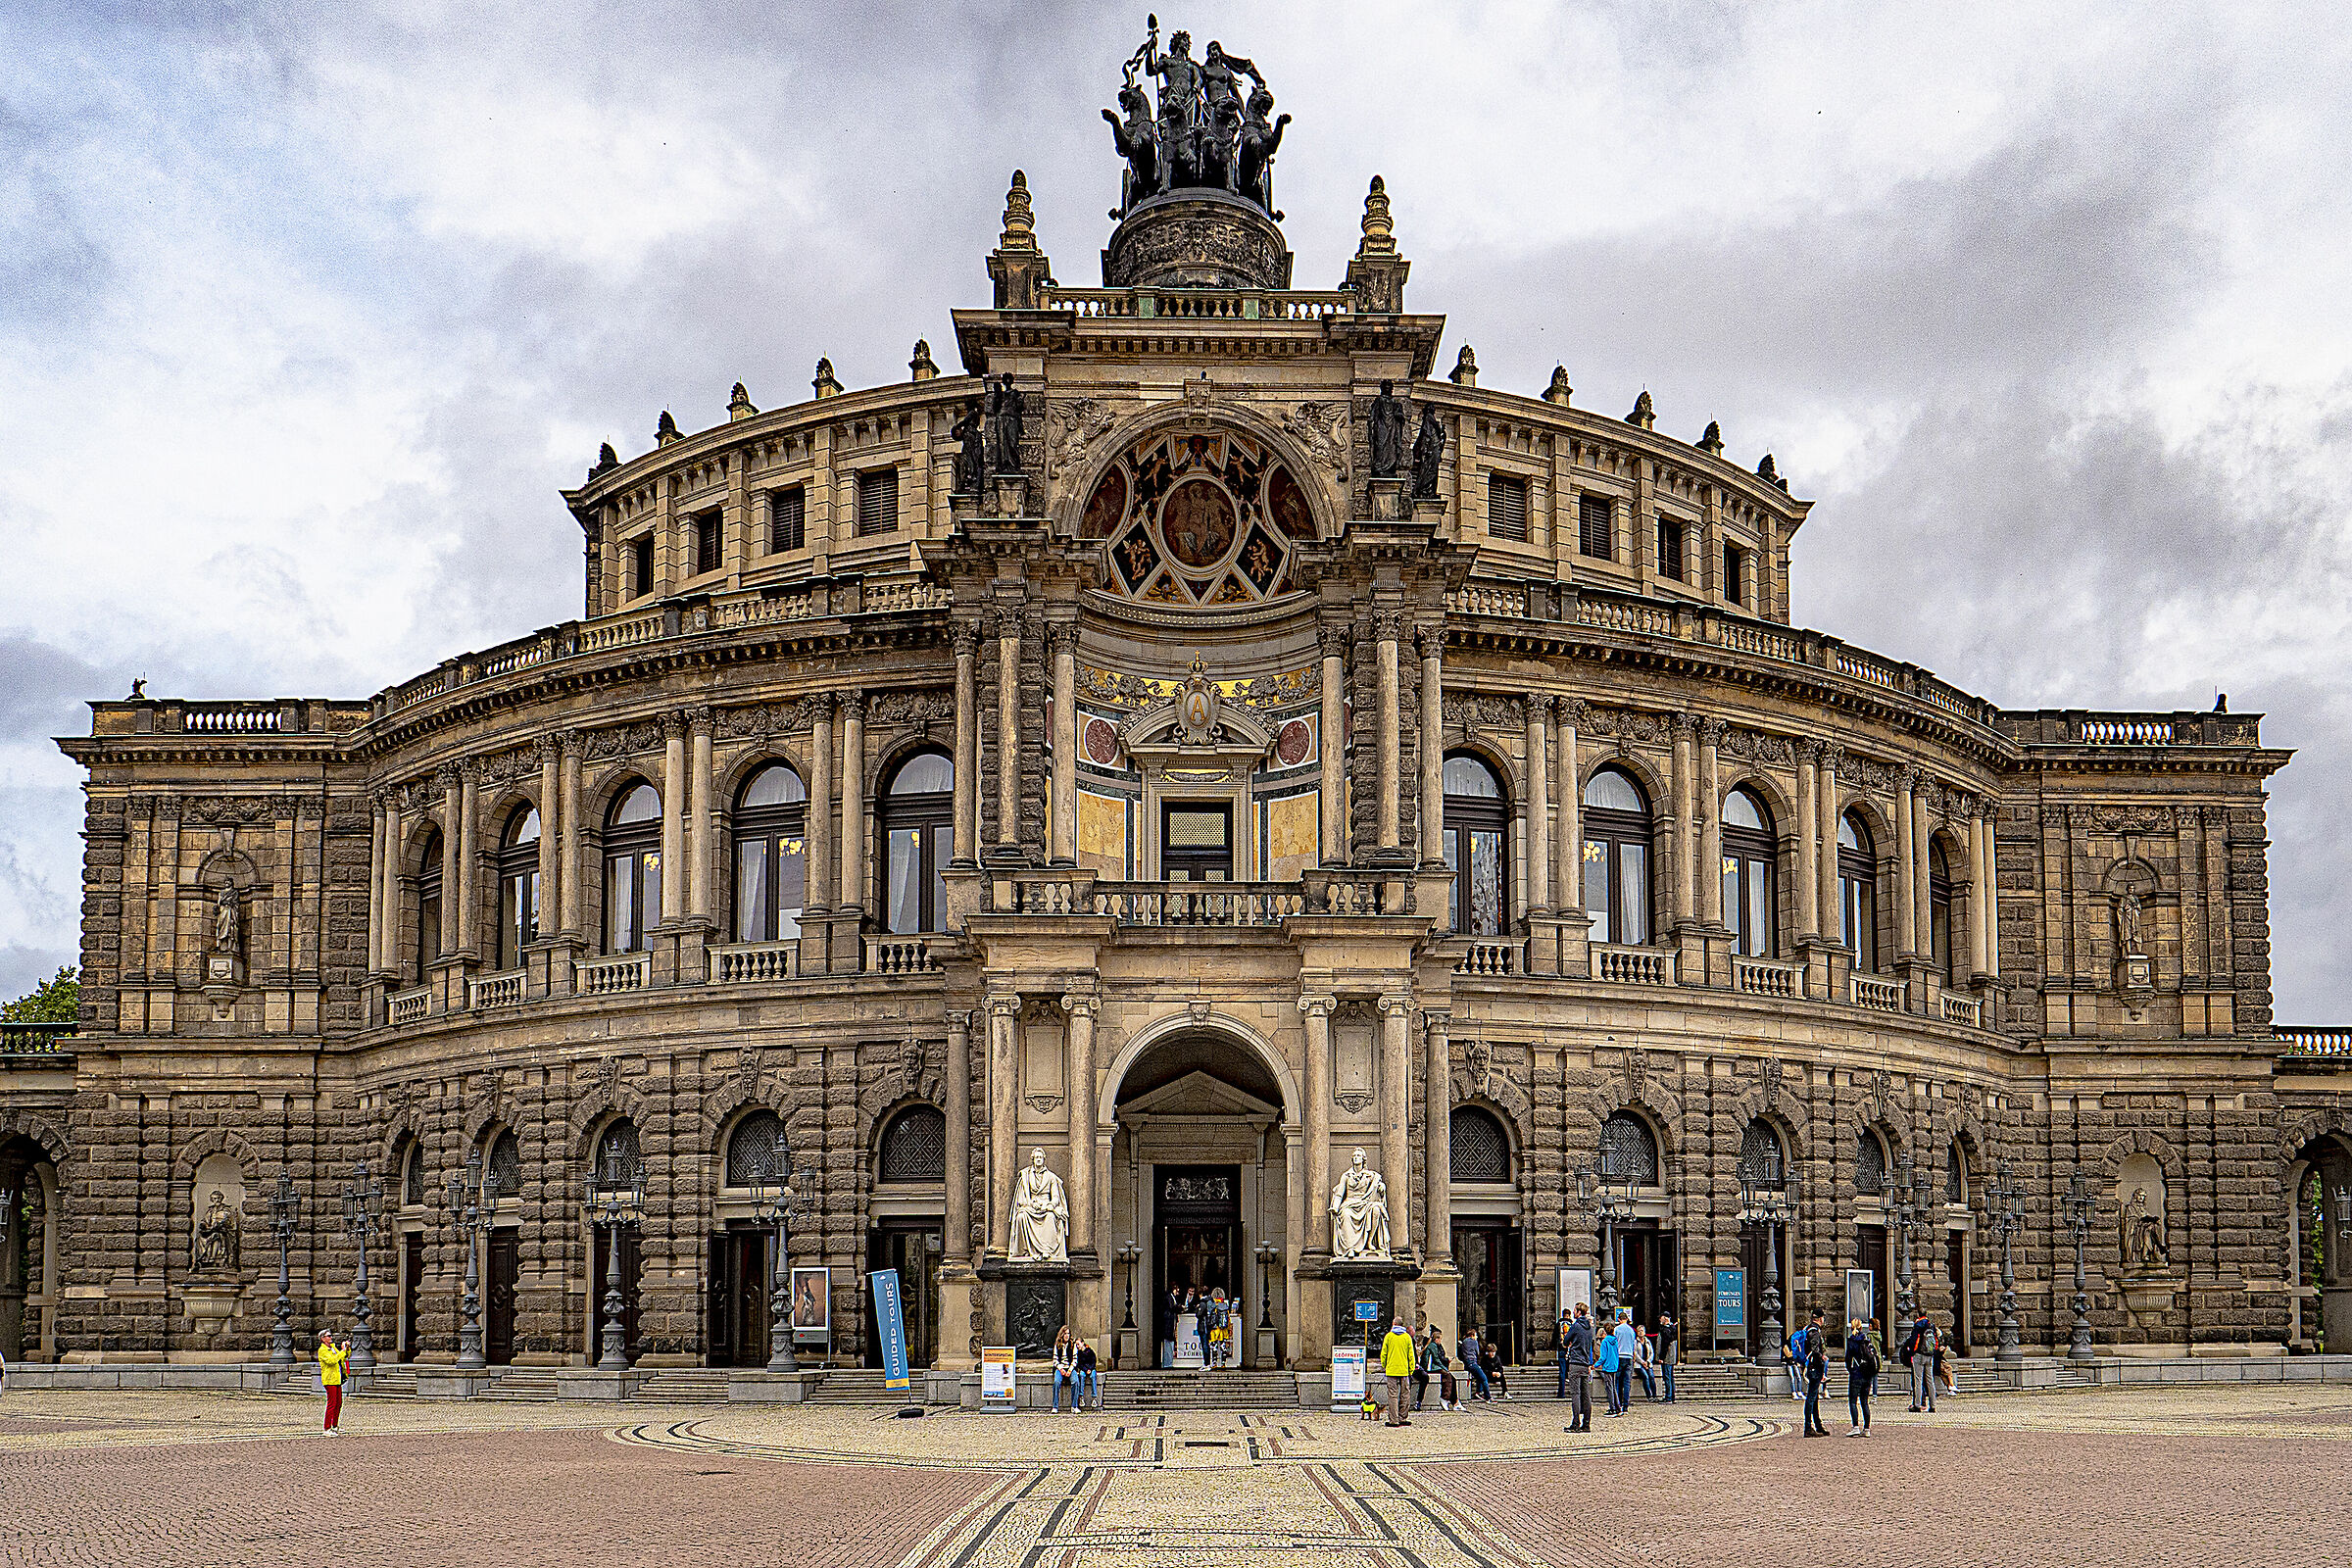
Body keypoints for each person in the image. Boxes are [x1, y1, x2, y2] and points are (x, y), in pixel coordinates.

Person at [1560, 1305, 1595, 1430]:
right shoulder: (1590, 1328)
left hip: (1575, 1362)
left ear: (1579, 1312)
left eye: (1575, 1310)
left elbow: (1566, 1341)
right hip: (1585, 1363)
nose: (1573, 1312)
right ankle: (1586, 1423)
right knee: (1586, 1394)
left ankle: (1576, 1423)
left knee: (1575, 1393)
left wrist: (1570, 1342)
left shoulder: (1576, 1326)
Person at [1844, 1316, 1880, 1436]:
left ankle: (1855, 1427)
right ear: (1861, 1327)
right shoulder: (1866, 1340)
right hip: (1867, 1374)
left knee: (1853, 1401)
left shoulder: (1851, 1341)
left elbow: (1848, 1360)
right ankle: (1867, 1429)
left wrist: (1851, 1370)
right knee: (1865, 1402)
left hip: (1856, 1374)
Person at [1379, 1316, 1417, 1427]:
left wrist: (1385, 1365)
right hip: (1404, 1370)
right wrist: (1411, 1369)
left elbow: (1384, 1353)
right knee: (1405, 1394)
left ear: (1393, 1324)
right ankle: (1403, 1418)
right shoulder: (1407, 1337)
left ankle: (1394, 1420)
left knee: (1392, 1395)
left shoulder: (1389, 1336)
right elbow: (1411, 1355)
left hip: (1391, 1370)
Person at [1901, 1310, 1939, 1413]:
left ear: (1918, 1315)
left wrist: (1912, 1353)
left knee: (1918, 1380)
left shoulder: (1918, 1325)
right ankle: (1933, 1405)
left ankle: (1917, 1405)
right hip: (1929, 1355)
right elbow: (1936, 1340)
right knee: (1930, 1380)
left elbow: (1914, 1341)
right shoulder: (1931, 1325)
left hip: (1919, 1355)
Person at [1800, 1311, 1830, 1436]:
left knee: (1814, 1397)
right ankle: (1808, 1428)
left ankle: (1818, 1425)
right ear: (1820, 1318)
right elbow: (1815, 1350)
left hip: (1810, 1366)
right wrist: (1822, 1359)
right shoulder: (1815, 1332)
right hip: (1814, 1368)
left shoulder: (1808, 1328)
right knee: (1811, 1398)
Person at [316, 1329, 351, 1436]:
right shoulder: (322, 1350)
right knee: (332, 1404)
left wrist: (346, 1349)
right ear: (323, 1338)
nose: (331, 1337)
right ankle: (327, 1428)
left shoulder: (333, 1347)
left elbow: (344, 1357)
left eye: (331, 1336)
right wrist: (342, 1351)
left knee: (338, 1403)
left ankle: (335, 1426)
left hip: (337, 1378)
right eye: (328, 1336)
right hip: (329, 1379)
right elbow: (331, 1361)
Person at [1594, 1312, 1622, 1416]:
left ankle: (1612, 1407)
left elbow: (1603, 1357)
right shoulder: (1615, 1340)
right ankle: (1618, 1406)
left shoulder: (1605, 1341)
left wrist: (1595, 1365)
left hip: (1607, 1366)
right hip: (1614, 1365)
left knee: (1609, 1388)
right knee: (1613, 1387)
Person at [1610, 1312, 1638, 1417]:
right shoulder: (1631, 1330)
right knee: (1627, 1382)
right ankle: (1625, 1405)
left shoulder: (1617, 1329)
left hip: (1619, 1355)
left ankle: (1618, 1404)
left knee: (1617, 1381)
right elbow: (1633, 1345)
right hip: (1629, 1356)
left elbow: (1614, 1343)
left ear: (1619, 1319)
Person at [1458, 1328, 1491, 1401]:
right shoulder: (1474, 1342)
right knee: (1484, 1378)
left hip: (1466, 1363)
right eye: (1476, 1335)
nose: (1477, 1337)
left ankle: (1479, 1392)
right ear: (1472, 1335)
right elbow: (1477, 1352)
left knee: (1479, 1377)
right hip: (1472, 1362)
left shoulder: (1464, 1342)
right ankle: (1487, 1397)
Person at [1052, 1326, 1078, 1412]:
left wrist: (1070, 1370)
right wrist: (1060, 1369)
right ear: (1062, 1334)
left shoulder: (1073, 1345)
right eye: (1065, 1333)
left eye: (1068, 1334)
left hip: (1070, 1367)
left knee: (1075, 1381)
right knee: (1056, 1382)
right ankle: (1055, 1406)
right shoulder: (1057, 1345)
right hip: (1060, 1368)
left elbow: (1075, 1359)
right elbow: (1055, 1360)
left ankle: (1074, 1406)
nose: (1067, 1335)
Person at [1656, 1312, 1679, 1402]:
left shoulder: (1665, 1330)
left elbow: (1664, 1345)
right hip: (1672, 1356)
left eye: (1661, 1318)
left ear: (1665, 1318)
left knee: (1667, 1377)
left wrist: (1661, 1357)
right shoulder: (1673, 1328)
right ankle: (1672, 1396)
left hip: (1667, 1357)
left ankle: (1668, 1396)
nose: (1660, 1320)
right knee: (1670, 1376)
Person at [1073, 1339, 1101, 1411]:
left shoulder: (1090, 1351)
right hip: (1084, 1369)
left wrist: (1090, 1369)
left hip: (1091, 1369)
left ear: (1082, 1343)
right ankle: (1081, 1396)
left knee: (1093, 1376)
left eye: (1078, 1344)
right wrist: (1086, 1369)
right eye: (1076, 1345)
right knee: (1082, 1375)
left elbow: (1094, 1361)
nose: (1077, 1346)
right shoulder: (1078, 1353)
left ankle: (1094, 1398)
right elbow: (1079, 1364)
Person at [1479, 1335, 1506, 1400]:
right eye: (1491, 1352)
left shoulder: (1497, 1358)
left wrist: (1499, 1373)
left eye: (1494, 1352)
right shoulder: (1484, 1359)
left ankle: (1505, 1392)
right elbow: (1483, 1370)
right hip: (1488, 1375)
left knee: (1502, 1376)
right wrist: (1491, 1373)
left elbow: (1500, 1367)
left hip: (1495, 1375)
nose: (1493, 1354)